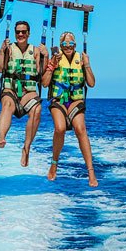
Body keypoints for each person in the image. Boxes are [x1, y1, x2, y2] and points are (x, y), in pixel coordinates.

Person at [42, 31, 98, 187]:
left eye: (71, 44)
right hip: (58, 100)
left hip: (75, 100)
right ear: (60, 46)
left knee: (80, 129)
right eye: (65, 44)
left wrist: (86, 64)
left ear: (75, 45)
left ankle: (91, 171)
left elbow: (91, 83)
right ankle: (54, 163)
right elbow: (45, 83)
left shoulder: (81, 59)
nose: (68, 47)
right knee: (59, 128)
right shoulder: (56, 58)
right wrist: (52, 65)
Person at [0, 21, 48, 166]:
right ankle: (1, 136)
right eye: (18, 32)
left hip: (28, 91)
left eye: (23, 32)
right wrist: (2, 51)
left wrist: (46, 56)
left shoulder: (36, 51)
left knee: (37, 110)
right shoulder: (9, 48)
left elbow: (41, 73)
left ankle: (26, 147)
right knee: (7, 105)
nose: (20, 34)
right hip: (10, 89)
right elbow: (1, 68)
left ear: (28, 33)